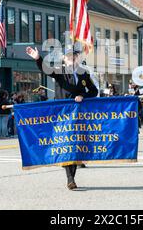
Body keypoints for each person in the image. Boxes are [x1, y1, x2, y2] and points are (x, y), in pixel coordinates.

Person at [26, 43, 98, 190]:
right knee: (66, 144)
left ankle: (72, 177)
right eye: (69, 56)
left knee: (75, 144)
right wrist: (38, 58)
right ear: (64, 59)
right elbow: (46, 70)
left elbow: (94, 91)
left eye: (75, 56)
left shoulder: (83, 73)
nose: (73, 59)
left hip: (77, 114)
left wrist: (82, 95)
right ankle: (70, 179)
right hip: (63, 114)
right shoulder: (59, 70)